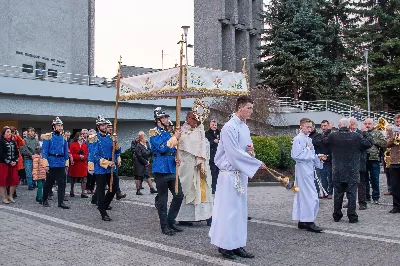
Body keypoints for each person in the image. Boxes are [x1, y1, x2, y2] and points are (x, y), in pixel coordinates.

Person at [209, 96, 266, 260]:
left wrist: (251, 153)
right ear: (240, 107)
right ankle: (225, 245)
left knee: (240, 212)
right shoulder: (228, 127)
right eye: (249, 108)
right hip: (229, 175)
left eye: (251, 108)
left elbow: (246, 150)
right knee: (228, 211)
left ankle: (237, 243)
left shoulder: (244, 127)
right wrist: (255, 163)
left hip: (240, 174)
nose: (251, 111)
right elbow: (233, 153)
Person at [168, 111, 213, 226]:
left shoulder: (201, 131)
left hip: (200, 168)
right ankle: (184, 218)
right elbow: (180, 146)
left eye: (195, 119)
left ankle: (207, 216)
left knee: (204, 191)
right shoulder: (182, 131)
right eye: (191, 118)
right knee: (187, 190)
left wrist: (201, 157)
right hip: (187, 167)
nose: (193, 121)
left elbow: (205, 147)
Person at [326, 118, 373, 223]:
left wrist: (328, 130)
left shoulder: (333, 136)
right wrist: (365, 132)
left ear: (339, 126)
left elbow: (323, 142)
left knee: (338, 194)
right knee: (352, 194)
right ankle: (352, 216)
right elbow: (369, 143)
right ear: (349, 126)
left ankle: (337, 215)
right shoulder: (356, 136)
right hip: (352, 170)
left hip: (337, 170)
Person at [150, 107, 183, 236]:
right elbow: (162, 148)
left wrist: (176, 158)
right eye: (164, 117)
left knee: (179, 195)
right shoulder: (154, 133)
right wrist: (175, 137)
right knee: (163, 200)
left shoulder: (169, 133)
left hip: (171, 167)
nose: (167, 119)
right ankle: (164, 226)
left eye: (167, 117)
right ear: (158, 120)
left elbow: (173, 148)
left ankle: (170, 220)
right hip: (161, 168)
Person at [291, 118, 324, 233]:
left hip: (309, 169)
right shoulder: (298, 139)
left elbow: (311, 154)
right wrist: (310, 154)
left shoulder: (308, 139)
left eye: (311, 127)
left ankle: (303, 220)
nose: (309, 129)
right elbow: (296, 155)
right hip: (302, 170)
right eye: (307, 127)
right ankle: (309, 221)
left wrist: (318, 157)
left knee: (305, 195)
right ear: (301, 127)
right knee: (311, 196)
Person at [88, 115, 121, 221]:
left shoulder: (111, 137)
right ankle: (103, 212)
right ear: (98, 127)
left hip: (111, 166)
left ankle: (103, 206)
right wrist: (107, 163)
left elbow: (117, 151)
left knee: (114, 188)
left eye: (106, 124)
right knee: (101, 191)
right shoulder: (93, 138)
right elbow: (94, 155)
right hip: (101, 168)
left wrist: (116, 143)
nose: (105, 126)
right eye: (103, 125)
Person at [41, 117, 70, 209]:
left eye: (61, 125)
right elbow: (44, 151)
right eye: (58, 125)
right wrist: (45, 164)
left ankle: (60, 202)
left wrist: (66, 163)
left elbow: (66, 151)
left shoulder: (64, 138)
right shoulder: (48, 136)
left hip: (61, 162)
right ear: (54, 127)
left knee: (62, 183)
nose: (60, 127)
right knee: (49, 183)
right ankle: (44, 199)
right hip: (51, 162)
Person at [349, 117, 370, 210]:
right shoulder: (346, 134)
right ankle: (350, 201)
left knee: (361, 183)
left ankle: (362, 202)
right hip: (349, 162)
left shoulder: (361, 133)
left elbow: (366, 145)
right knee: (349, 183)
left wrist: (365, 133)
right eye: (350, 123)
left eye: (352, 123)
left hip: (359, 161)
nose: (351, 125)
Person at [364, 118, 386, 204]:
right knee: (364, 179)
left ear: (373, 124)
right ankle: (366, 197)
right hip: (364, 159)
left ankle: (376, 197)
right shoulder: (362, 133)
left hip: (374, 159)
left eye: (369, 123)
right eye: (365, 123)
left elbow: (384, 143)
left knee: (375, 179)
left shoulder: (377, 132)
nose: (367, 125)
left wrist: (372, 139)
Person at [106, 119, 126, 200]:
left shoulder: (113, 137)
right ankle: (96, 199)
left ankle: (118, 193)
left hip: (113, 161)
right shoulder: (102, 137)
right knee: (105, 182)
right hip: (105, 162)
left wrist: (118, 157)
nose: (110, 128)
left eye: (111, 127)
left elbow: (118, 149)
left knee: (115, 178)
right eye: (108, 127)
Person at [312, 120, 333, 199]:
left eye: (325, 126)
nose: (324, 127)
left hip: (329, 158)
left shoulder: (331, 135)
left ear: (328, 126)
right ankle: (324, 191)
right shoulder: (320, 136)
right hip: (321, 158)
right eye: (322, 126)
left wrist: (329, 156)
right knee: (323, 176)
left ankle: (330, 192)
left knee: (330, 176)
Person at [0, 126, 19, 204]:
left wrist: (15, 161)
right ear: (4, 133)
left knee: (14, 180)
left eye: (10, 132)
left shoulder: (13, 142)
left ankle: (10, 196)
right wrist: (9, 161)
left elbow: (16, 153)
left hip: (13, 164)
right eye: (7, 132)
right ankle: (4, 198)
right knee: (3, 181)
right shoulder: (1, 141)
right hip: (3, 164)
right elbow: (1, 153)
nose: (9, 133)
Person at [386, 114, 400, 213]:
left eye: (399, 121)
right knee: (395, 186)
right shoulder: (391, 130)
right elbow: (387, 144)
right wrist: (393, 138)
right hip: (394, 161)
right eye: (396, 122)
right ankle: (396, 206)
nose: (397, 123)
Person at [69, 132, 89, 198]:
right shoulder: (73, 145)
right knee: (73, 179)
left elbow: (86, 154)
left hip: (83, 164)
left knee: (84, 179)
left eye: (82, 136)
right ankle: (72, 191)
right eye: (80, 136)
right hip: (75, 164)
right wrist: (78, 156)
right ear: (77, 137)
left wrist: (84, 157)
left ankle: (83, 193)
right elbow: (71, 154)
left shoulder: (85, 145)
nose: (82, 137)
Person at [205, 119, 220, 194]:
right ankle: (213, 189)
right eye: (213, 124)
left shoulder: (220, 133)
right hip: (211, 156)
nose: (214, 126)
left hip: (219, 156)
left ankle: (219, 188)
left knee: (219, 173)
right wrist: (212, 142)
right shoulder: (207, 134)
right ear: (210, 125)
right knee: (213, 173)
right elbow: (205, 143)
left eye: (215, 125)